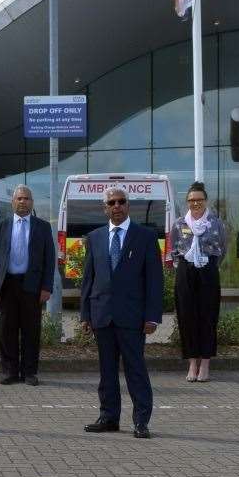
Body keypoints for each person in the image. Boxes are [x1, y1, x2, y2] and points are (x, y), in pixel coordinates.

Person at [79, 185, 164, 439]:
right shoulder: (94, 238)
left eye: (121, 201)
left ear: (128, 205)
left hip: (133, 317)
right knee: (107, 372)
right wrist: (85, 314)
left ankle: (141, 422)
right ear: (104, 208)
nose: (116, 206)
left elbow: (154, 281)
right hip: (102, 315)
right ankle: (109, 417)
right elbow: (88, 279)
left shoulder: (145, 237)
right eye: (111, 203)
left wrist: (152, 316)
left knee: (135, 370)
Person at [0, 185, 56, 386]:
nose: (23, 202)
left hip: (32, 286)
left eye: (26, 199)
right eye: (19, 199)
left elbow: (49, 259)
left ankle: (29, 373)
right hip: (7, 286)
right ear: (12, 202)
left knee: (31, 331)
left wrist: (47, 287)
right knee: (6, 330)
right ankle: (10, 372)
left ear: (31, 203)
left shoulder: (42, 227)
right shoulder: (1, 226)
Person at [170, 181, 227, 382]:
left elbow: (222, 249)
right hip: (186, 271)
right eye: (192, 200)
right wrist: (186, 264)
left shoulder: (216, 223)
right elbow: (173, 250)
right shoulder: (179, 224)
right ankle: (192, 363)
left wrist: (208, 264)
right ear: (187, 202)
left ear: (206, 201)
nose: (195, 203)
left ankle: (205, 364)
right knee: (187, 317)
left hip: (208, 272)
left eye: (199, 200)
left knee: (208, 317)